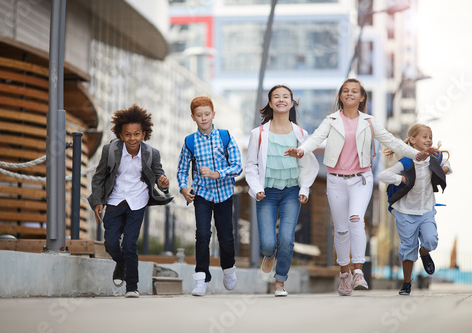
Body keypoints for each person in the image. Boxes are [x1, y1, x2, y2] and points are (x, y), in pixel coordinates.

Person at [285, 78, 437, 296]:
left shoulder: (369, 121)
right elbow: (316, 139)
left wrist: (416, 154)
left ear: (361, 97)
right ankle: (344, 274)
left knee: (356, 219)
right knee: (341, 228)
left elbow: (391, 142)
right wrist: (301, 151)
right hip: (336, 179)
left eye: (354, 91)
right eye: (345, 91)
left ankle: (358, 271)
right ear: (340, 96)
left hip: (361, 179)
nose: (349, 94)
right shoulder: (331, 120)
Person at [88, 104, 173, 298]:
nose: (132, 138)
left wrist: (164, 183)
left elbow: (160, 177)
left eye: (136, 134)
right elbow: (99, 177)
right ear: (120, 135)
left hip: (138, 201)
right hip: (116, 200)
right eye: (127, 134)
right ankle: (121, 263)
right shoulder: (110, 150)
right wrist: (97, 201)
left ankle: (132, 286)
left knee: (130, 245)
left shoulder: (152, 154)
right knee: (110, 243)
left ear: (144, 134)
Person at [246, 85, 319, 297]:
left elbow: (308, 164)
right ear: (270, 103)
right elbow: (250, 165)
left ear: (291, 102)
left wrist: (304, 188)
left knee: (287, 239)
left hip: (291, 192)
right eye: (276, 97)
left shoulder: (302, 134)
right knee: (268, 243)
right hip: (266, 192)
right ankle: (269, 256)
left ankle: (280, 283)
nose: (281, 99)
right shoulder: (258, 134)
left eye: (285, 96)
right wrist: (256, 188)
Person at [177, 96, 243, 296]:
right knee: (203, 235)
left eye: (207, 114)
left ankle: (229, 269)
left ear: (213, 114)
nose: (204, 118)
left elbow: (238, 166)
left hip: (224, 193)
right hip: (202, 194)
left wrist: (218, 173)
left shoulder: (225, 136)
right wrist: (183, 188)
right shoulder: (190, 141)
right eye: (199, 115)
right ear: (193, 117)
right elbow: (181, 170)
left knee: (226, 237)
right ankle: (201, 278)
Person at [378, 124, 450, 295]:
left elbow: (448, 166)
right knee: (408, 247)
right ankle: (407, 283)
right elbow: (382, 176)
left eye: (430, 137)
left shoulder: (435, 157)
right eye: (424, 137)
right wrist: (400, 179)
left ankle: (424, 253)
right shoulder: (407, 161)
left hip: (426, 209)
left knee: (431, 240)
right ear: (412, 140)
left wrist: (443, 169)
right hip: (405, 211)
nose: (429, 140)